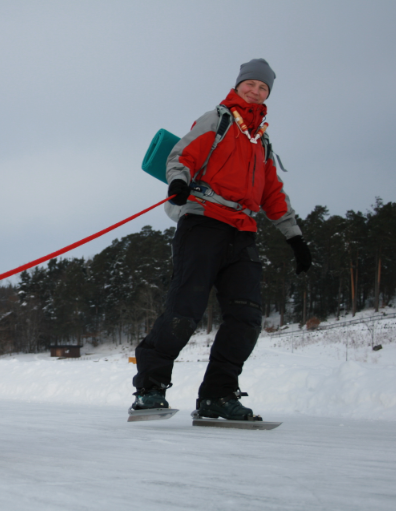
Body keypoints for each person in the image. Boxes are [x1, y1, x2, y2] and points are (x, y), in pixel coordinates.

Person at [131, 58, 312, 420]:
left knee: (247, 318)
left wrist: (295, 238)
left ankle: (217, 395)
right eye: (251, 84)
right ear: (239, 85)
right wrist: (179, 181)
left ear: (267, 94)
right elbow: (182, 155)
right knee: (185, 311)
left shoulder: (262, 142)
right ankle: (150, 388)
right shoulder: (217, 119)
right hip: (203, 222)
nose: (255, 91)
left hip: (242, 232)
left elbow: (273, 194)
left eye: (262, 88)